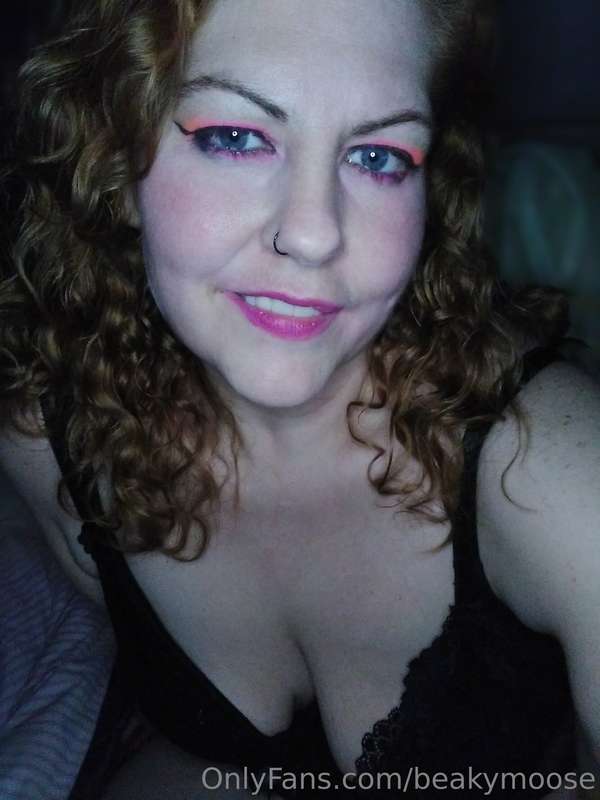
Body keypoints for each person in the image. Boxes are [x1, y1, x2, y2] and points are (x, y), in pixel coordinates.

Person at [1, 0, 599, 798]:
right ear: (114, 151)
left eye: (379, 156)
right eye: (235, 138)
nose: (315, 234)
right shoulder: (48, 442)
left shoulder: (556, 478)